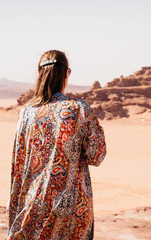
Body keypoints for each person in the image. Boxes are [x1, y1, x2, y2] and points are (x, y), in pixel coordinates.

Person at [7, 49, 107, 239]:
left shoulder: (26, 114)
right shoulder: (78, 110)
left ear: (39, 73)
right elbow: (97, 155)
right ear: (66, 73)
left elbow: (17, 166)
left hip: (33, 208)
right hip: (73, 212)